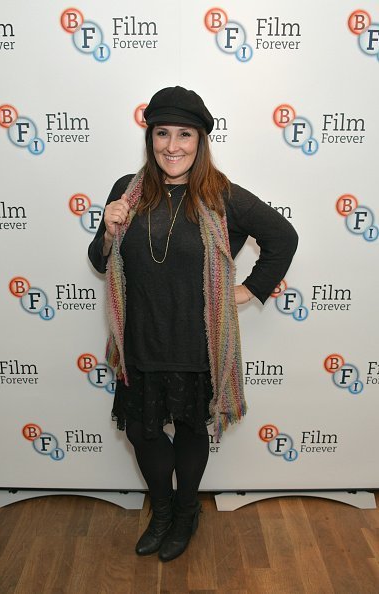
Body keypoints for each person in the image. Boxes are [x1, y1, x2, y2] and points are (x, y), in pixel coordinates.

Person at [88, 86, 298, 562]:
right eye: (163, 133)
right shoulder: (127, 190)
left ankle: (186, 512)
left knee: (188, 431)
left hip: (196, 345)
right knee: (143, 434)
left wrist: (250, 289)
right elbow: (101, 264)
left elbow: (282, 237)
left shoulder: (220, 196)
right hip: (139, 342)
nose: (173, 145)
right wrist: (106, 229)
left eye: (185, 134)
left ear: (201, 140)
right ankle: (161, 512)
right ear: (150, 138)